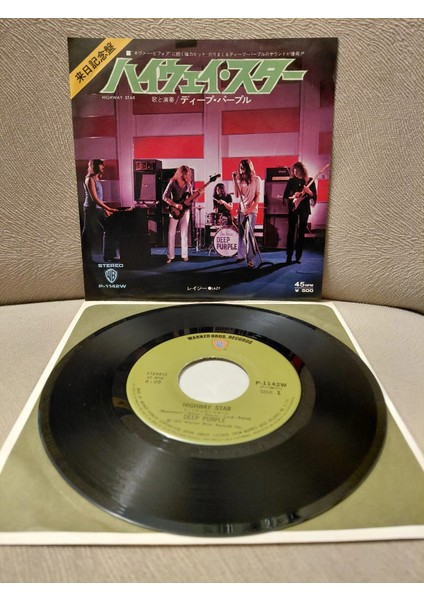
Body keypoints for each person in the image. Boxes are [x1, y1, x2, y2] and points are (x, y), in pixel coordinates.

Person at [82, 159, 120, 262]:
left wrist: (105, 210)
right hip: (91, 209)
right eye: (101, 165)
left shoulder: (97, 179)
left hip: (98, 209)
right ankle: (86, 259)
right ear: (95, 167)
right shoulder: (89, 179)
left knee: (109, 228)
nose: (103, 167)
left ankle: (108, 256)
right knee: (87, 233)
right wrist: (108, 208)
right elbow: (94, 199)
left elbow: (99, 198)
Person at [283, 161, 317, 264]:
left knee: (301, 232)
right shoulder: (291, 181)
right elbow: (286, 196)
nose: (295, 172)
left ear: (302, 170)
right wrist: (294, 196)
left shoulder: (310, 180)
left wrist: (308, 191)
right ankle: (289, 255)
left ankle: (298, 256)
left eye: (297, 170)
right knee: (291, 231)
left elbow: (314, 196)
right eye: (294, 170)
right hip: (293, 208)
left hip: (304, 209)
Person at [232, 159, 261, 268]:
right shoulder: (239, 180)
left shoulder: (256, 179)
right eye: (240, 167)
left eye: (243, 167)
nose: (241, 169)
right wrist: (234, 180)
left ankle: (250, 259)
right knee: (241, 234)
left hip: (252, 210)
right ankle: (241, 255)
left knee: (249, 234)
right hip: (242, 209)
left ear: (248, 168)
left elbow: (257, 196)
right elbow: (236, 195)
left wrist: (250, 209)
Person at [162, 165, 193, 263]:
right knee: (171, 233)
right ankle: (170, 256)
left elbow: (191, 199)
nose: (187, 176)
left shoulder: (188, 185)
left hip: (185, 210)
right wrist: (175, 205)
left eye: (188, 174)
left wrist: (197, 195)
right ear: (180, 174)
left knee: (184, 233)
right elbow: (164, 197)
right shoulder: (172, 182)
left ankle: (185, 255)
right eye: (185, 174)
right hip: (174, 210)